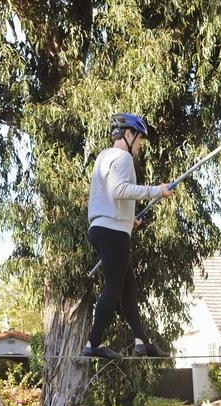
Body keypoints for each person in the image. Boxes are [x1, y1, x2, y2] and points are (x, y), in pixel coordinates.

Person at [83, 112, 173, 359]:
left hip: (102, 227)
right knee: (113, 286)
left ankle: (142, 342)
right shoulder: (123, 158)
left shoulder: (104, 157)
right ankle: (92, 344)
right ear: (129, 134)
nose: (141, 144)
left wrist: (127, 219)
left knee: (128, 288)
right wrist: (158, 190)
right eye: (140, 138)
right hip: (112, 230)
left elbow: (107, 196)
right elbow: (119, 189)